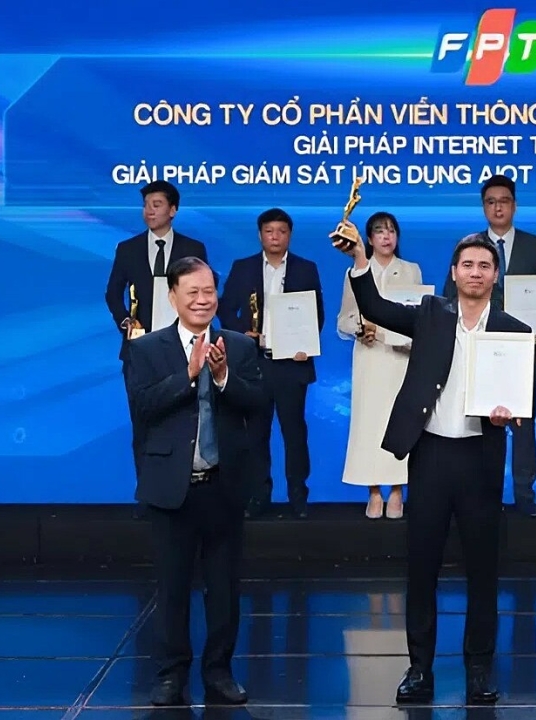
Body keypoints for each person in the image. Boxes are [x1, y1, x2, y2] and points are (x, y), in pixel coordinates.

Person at [332, 230, 532, 705]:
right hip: (432, 456)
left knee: (483, 570)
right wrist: (359, 258)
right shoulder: (429, 314)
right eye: (468, 265)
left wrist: (511, 414)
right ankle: (419, 668)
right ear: (454, 272)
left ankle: (479, 670)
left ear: (496, 275)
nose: (476, 273)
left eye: (485, 266)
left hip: (480, 457)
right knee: (422, 568)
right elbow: (375, 308)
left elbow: (525, 399)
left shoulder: (515, 330)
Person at [125, 257, 265, 706]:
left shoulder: (239, 346)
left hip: (223, 486)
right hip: (171, 488)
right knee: (172, 588)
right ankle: (171, 674)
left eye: (209, 292)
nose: (203, 300)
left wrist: (222, 377)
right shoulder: (147, 349)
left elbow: (258, 403)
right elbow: (142, 408)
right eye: (193, 293)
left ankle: (219, 672)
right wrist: (187, 374)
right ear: (173, 298)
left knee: (223, 589)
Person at [443, 175, 536, 517]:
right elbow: (450, 296)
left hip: (522, 347)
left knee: (522, 422)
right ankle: (480, 493)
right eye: (491, 202)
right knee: (477, 419)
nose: (498, 207)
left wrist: (532, 316)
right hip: (476, 347)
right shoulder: (469, 246)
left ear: (514, 205)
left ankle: (524, 494)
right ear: (483, 207)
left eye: (504, 201)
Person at [103, 180, 207, 505]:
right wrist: (126, 321)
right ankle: (147, 495)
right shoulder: (128, 248)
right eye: (146, 205)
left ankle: (183, 495)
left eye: (157, 204)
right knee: (143, 424)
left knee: (184, 425)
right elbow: (113, 293)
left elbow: (204, 292)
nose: (149, 211)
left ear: (173, 210)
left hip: (183, 351)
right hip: (140, 351)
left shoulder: (193, 249)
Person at [217, 208, 324, 519]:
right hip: (255, 363)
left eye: (281, 231)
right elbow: (225, 309)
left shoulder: (306, 268)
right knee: (255, 434)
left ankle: (298, 496)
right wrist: (243, 333)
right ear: (260, 234)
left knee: (295, 433)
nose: (275, 237)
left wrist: (306, 345)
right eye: (269, 231)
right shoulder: (243, 267)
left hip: (292, 364)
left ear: (289, 235)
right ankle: (258, 495)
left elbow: (316, 314)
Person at [336, 212, 423, 519]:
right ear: (369, 239)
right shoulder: (356, 271)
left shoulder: (411, 270)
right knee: (369, 424)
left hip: (401, 357)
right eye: (379, 231)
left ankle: (398, 490)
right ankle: (373, 491)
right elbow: (344, 319)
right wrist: (358, 328)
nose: (386, 237)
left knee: (400, 421)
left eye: (391, 231)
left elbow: (418, 315)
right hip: (370, 357)